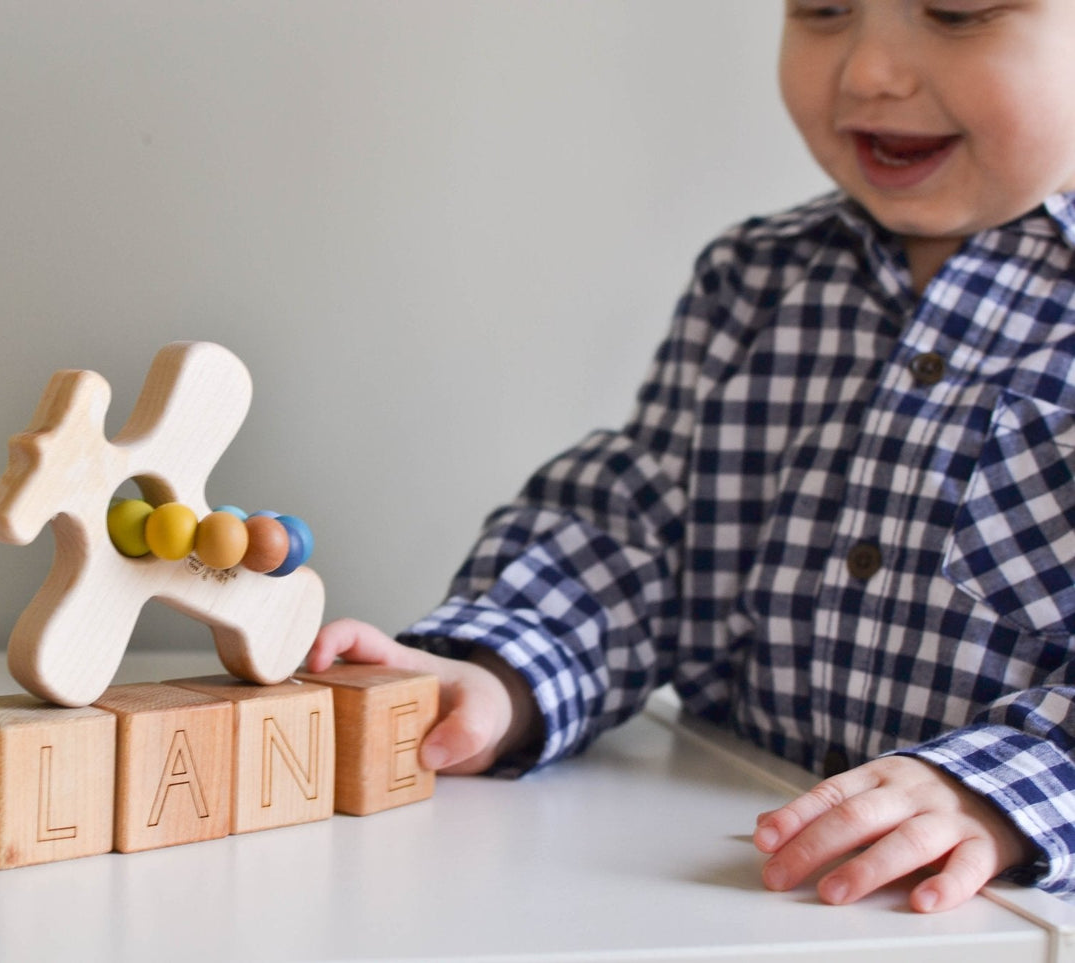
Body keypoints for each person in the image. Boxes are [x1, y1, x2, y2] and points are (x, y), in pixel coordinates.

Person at [307, 0, 1075, 914]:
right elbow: (638, 534)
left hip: (1000, 920)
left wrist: (992, 792)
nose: (870, 71)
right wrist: (501, 669)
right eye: (822, 10)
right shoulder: (755, 279)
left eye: (955, 14)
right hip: (730, 885)